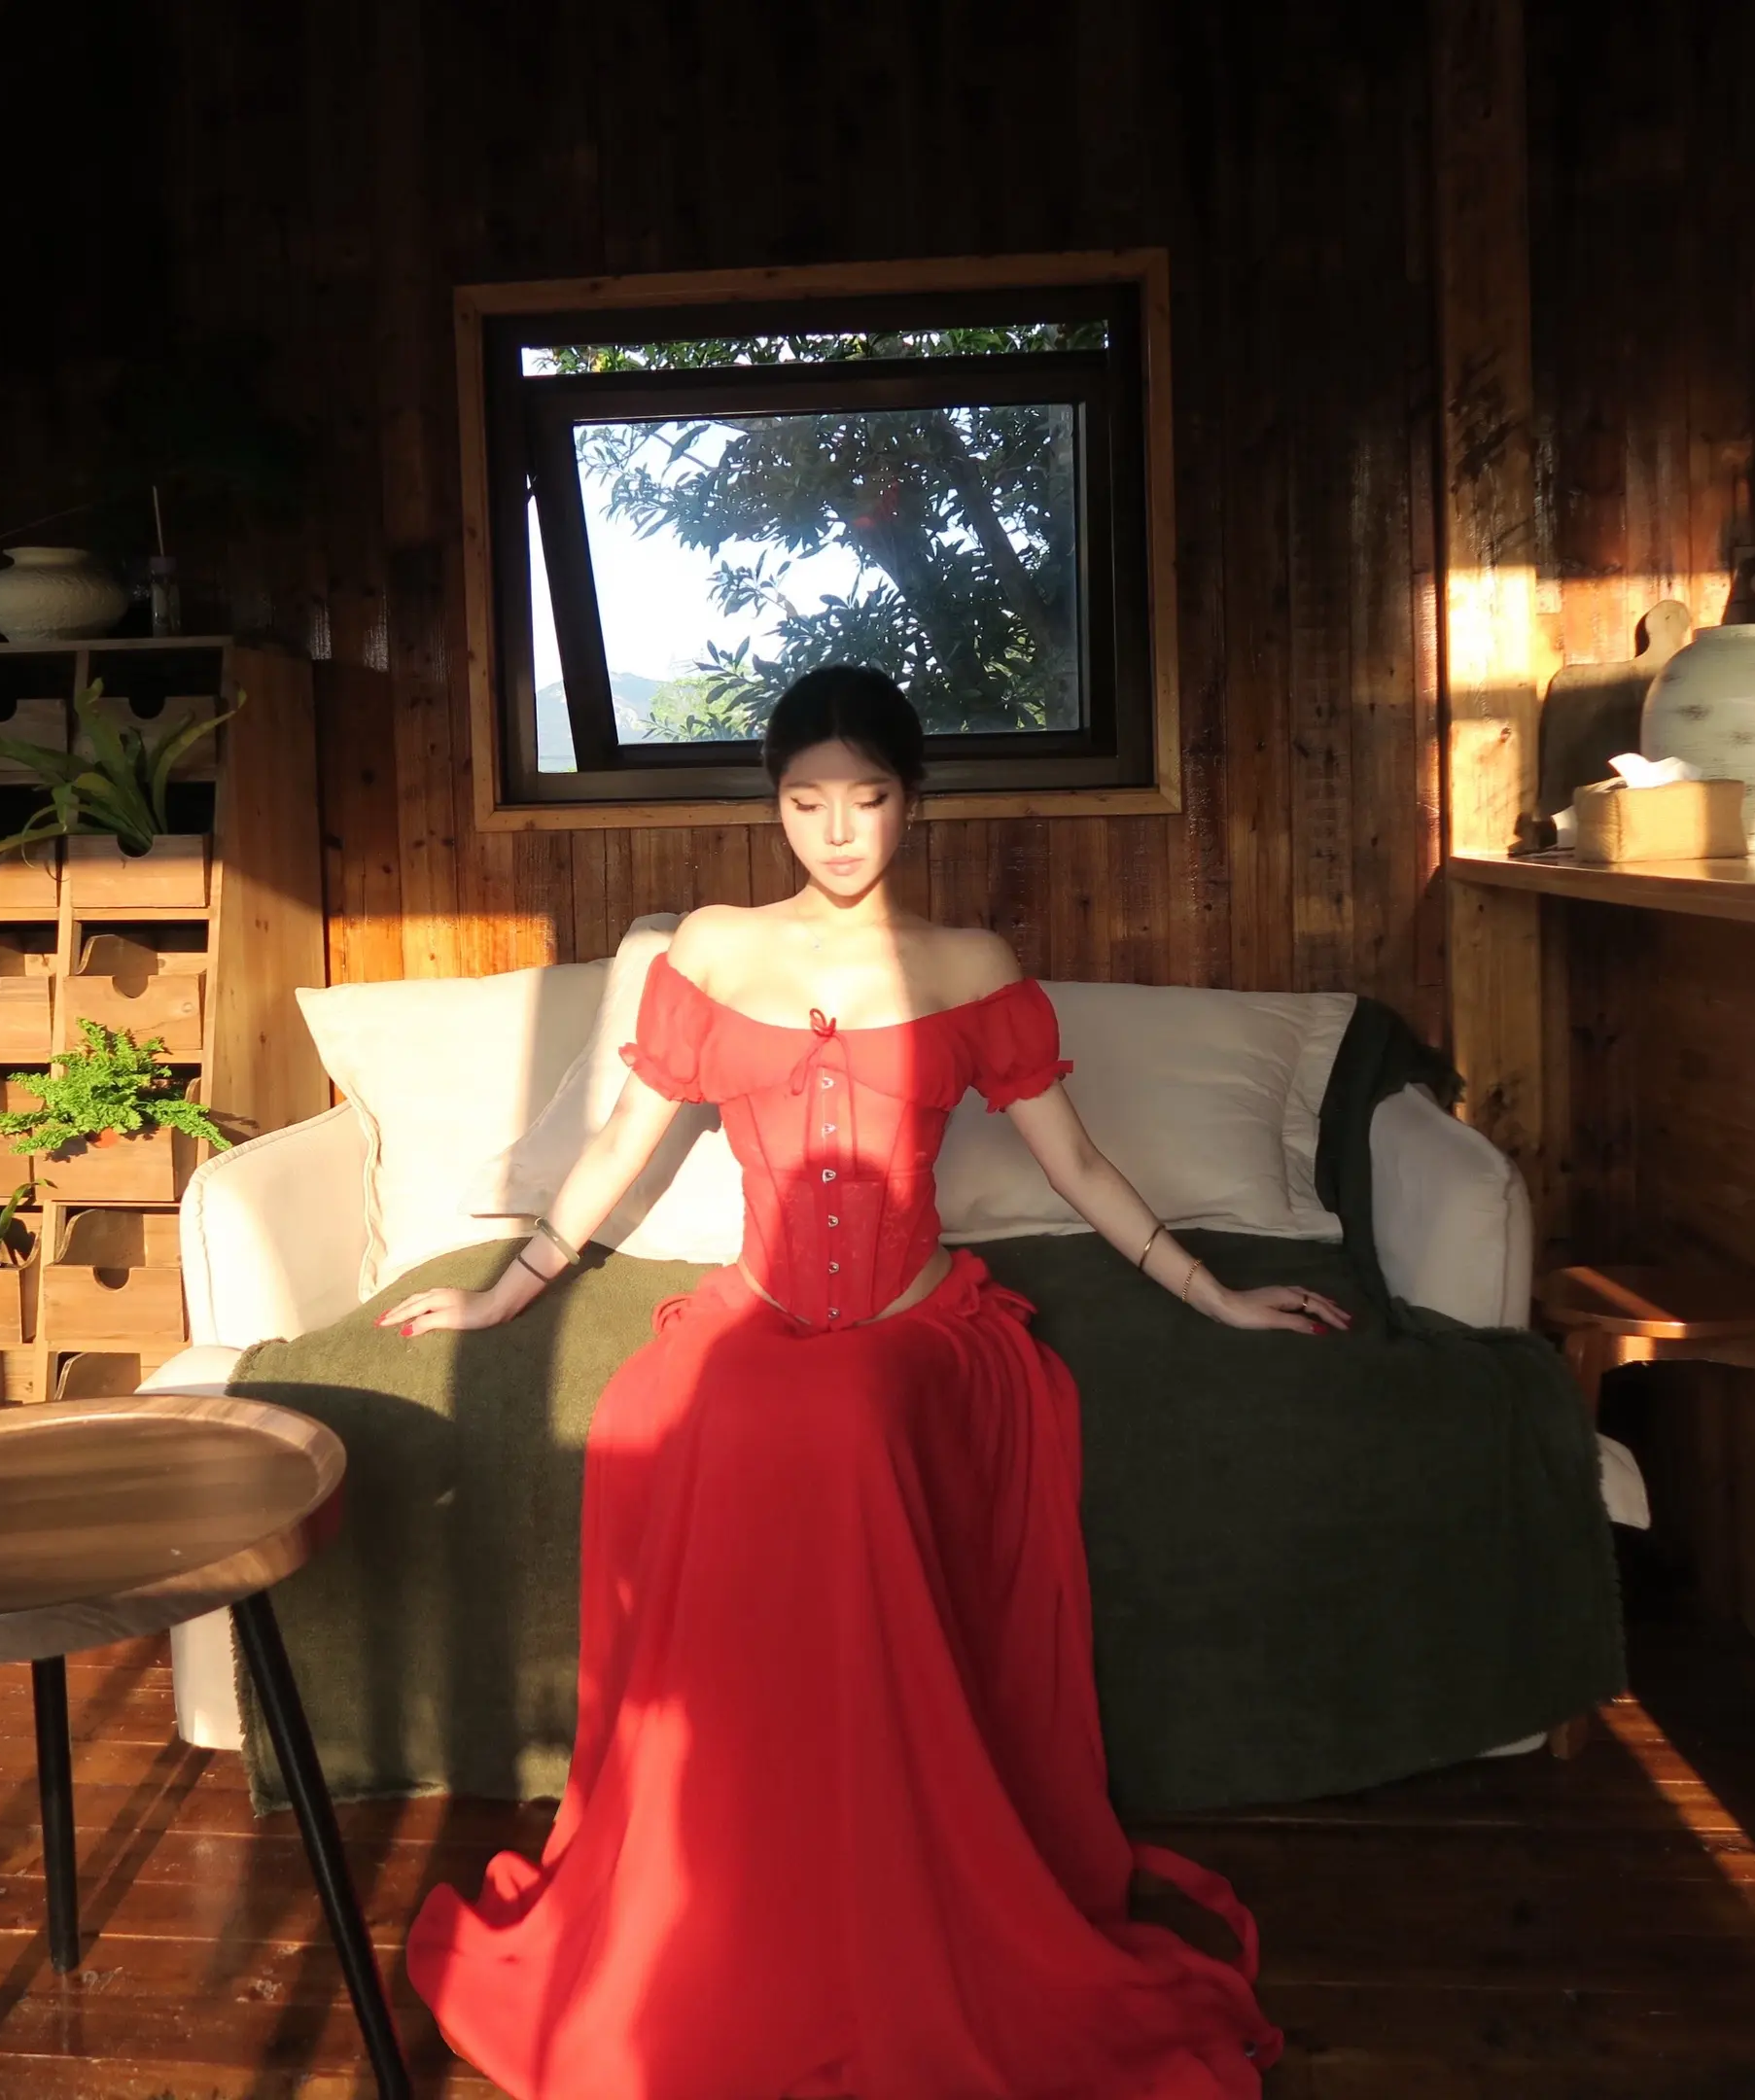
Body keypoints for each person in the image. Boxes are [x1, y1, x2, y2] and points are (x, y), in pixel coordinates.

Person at [393, 665, 1336, 2098]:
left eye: (869, 799)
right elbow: (618, 1147)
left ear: (913, 802)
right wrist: (502, 1290)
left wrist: (1215, 1292)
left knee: (841, 1415)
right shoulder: (711, 948)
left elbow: (1079, 1164)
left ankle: (886, 1866)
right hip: (763, 1313)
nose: (837, 832)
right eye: (806, 802)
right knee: (695, 1407)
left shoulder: (970, 965)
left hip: (913, 1331)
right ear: (773, 807)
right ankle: (741, 1864)